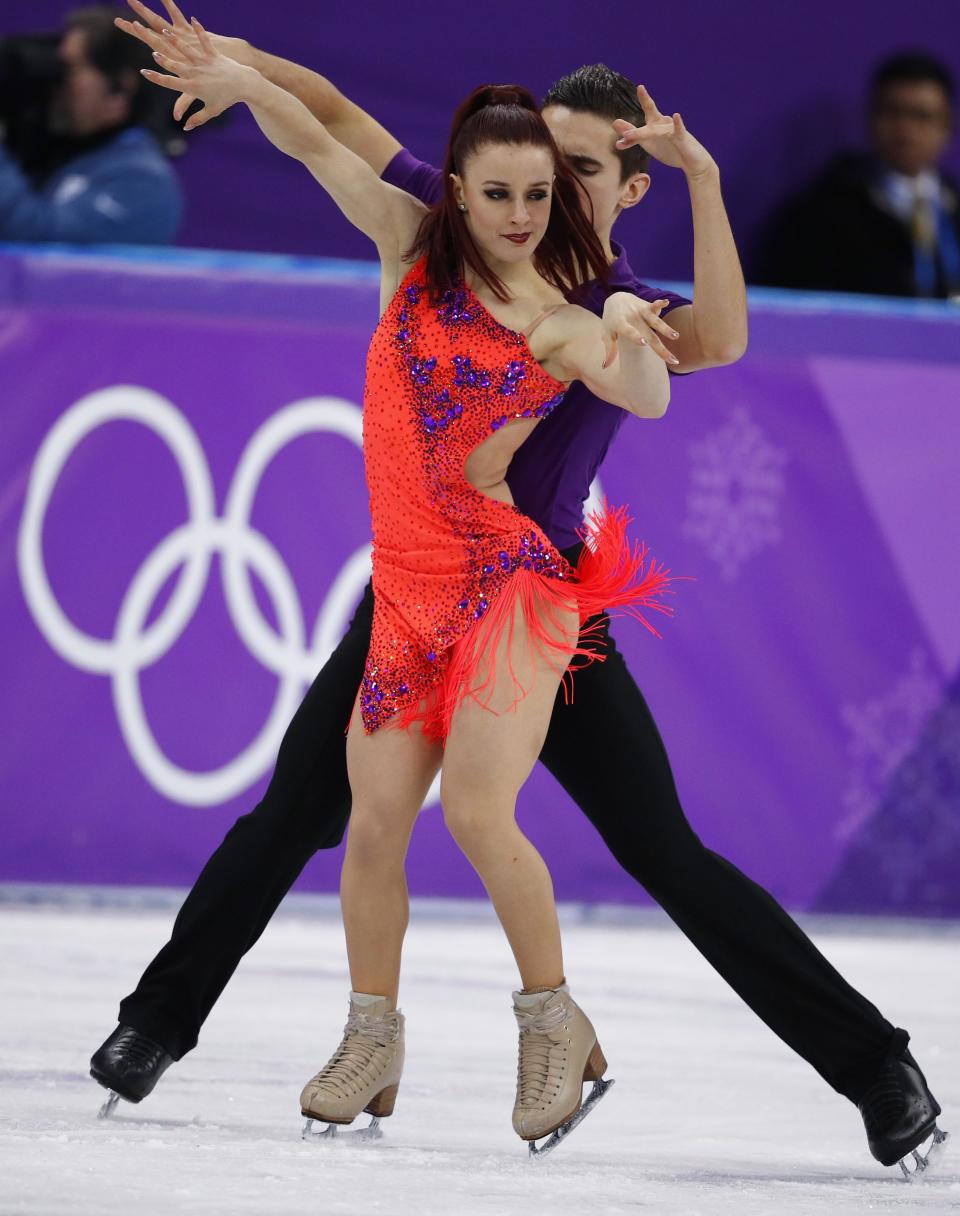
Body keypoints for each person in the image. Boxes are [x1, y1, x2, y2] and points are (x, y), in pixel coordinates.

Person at [91, 0, 946, 1175]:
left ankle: (876, 1067)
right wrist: (230, 64)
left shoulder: (607, 305)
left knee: (663, 850)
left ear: (622, 184)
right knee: (304, 806)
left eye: (579, 169)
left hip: (541, 607)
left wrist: (700, 188)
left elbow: (726, 345)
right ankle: (156, 1024)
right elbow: (330, 117)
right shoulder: (461, 230)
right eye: (536, 162)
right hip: (419, 590)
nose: (545, 186)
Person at [761, 52, 960, 299]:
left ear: (948, 127)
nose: (906, 129)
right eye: (893, 112)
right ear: (870, 118)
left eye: (922, 116)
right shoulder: (825, 212)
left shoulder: (952, 209)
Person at [0, 5, 181, 245]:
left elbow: (40, 244)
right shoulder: (55, 154)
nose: (56, 85)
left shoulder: (142, 182)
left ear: (119, 91)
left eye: (70, 70)